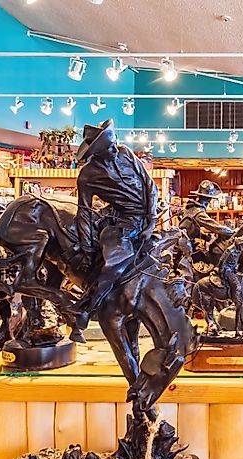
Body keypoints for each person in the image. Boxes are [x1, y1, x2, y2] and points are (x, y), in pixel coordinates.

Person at [73, 119, 158, 329]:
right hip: (122, 220)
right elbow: (84, 211)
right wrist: (86, 247)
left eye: (113, 144)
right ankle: (89, 305)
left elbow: (150, 185)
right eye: (107, 148)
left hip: (147, 216)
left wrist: (152, 218)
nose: (113, 149)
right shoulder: (87, 175)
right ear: (95, 151)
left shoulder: (125, 153)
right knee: (115, 262)